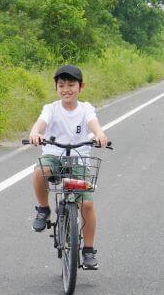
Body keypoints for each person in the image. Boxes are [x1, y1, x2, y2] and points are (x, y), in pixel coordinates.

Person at [28, 64, 109, 270]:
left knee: (87, 204)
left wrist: (99, 134)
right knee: (39, 172)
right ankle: (43, 209)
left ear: (81, 87)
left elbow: (93, 123)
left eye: (71, 85)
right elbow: (41, 123)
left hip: (79, 160)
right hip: (54, 156)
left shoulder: (86, 108)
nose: (66, 89)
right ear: (56, 88)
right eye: (61, 85)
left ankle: (88, 250)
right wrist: (35, 133)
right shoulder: (51, 108)